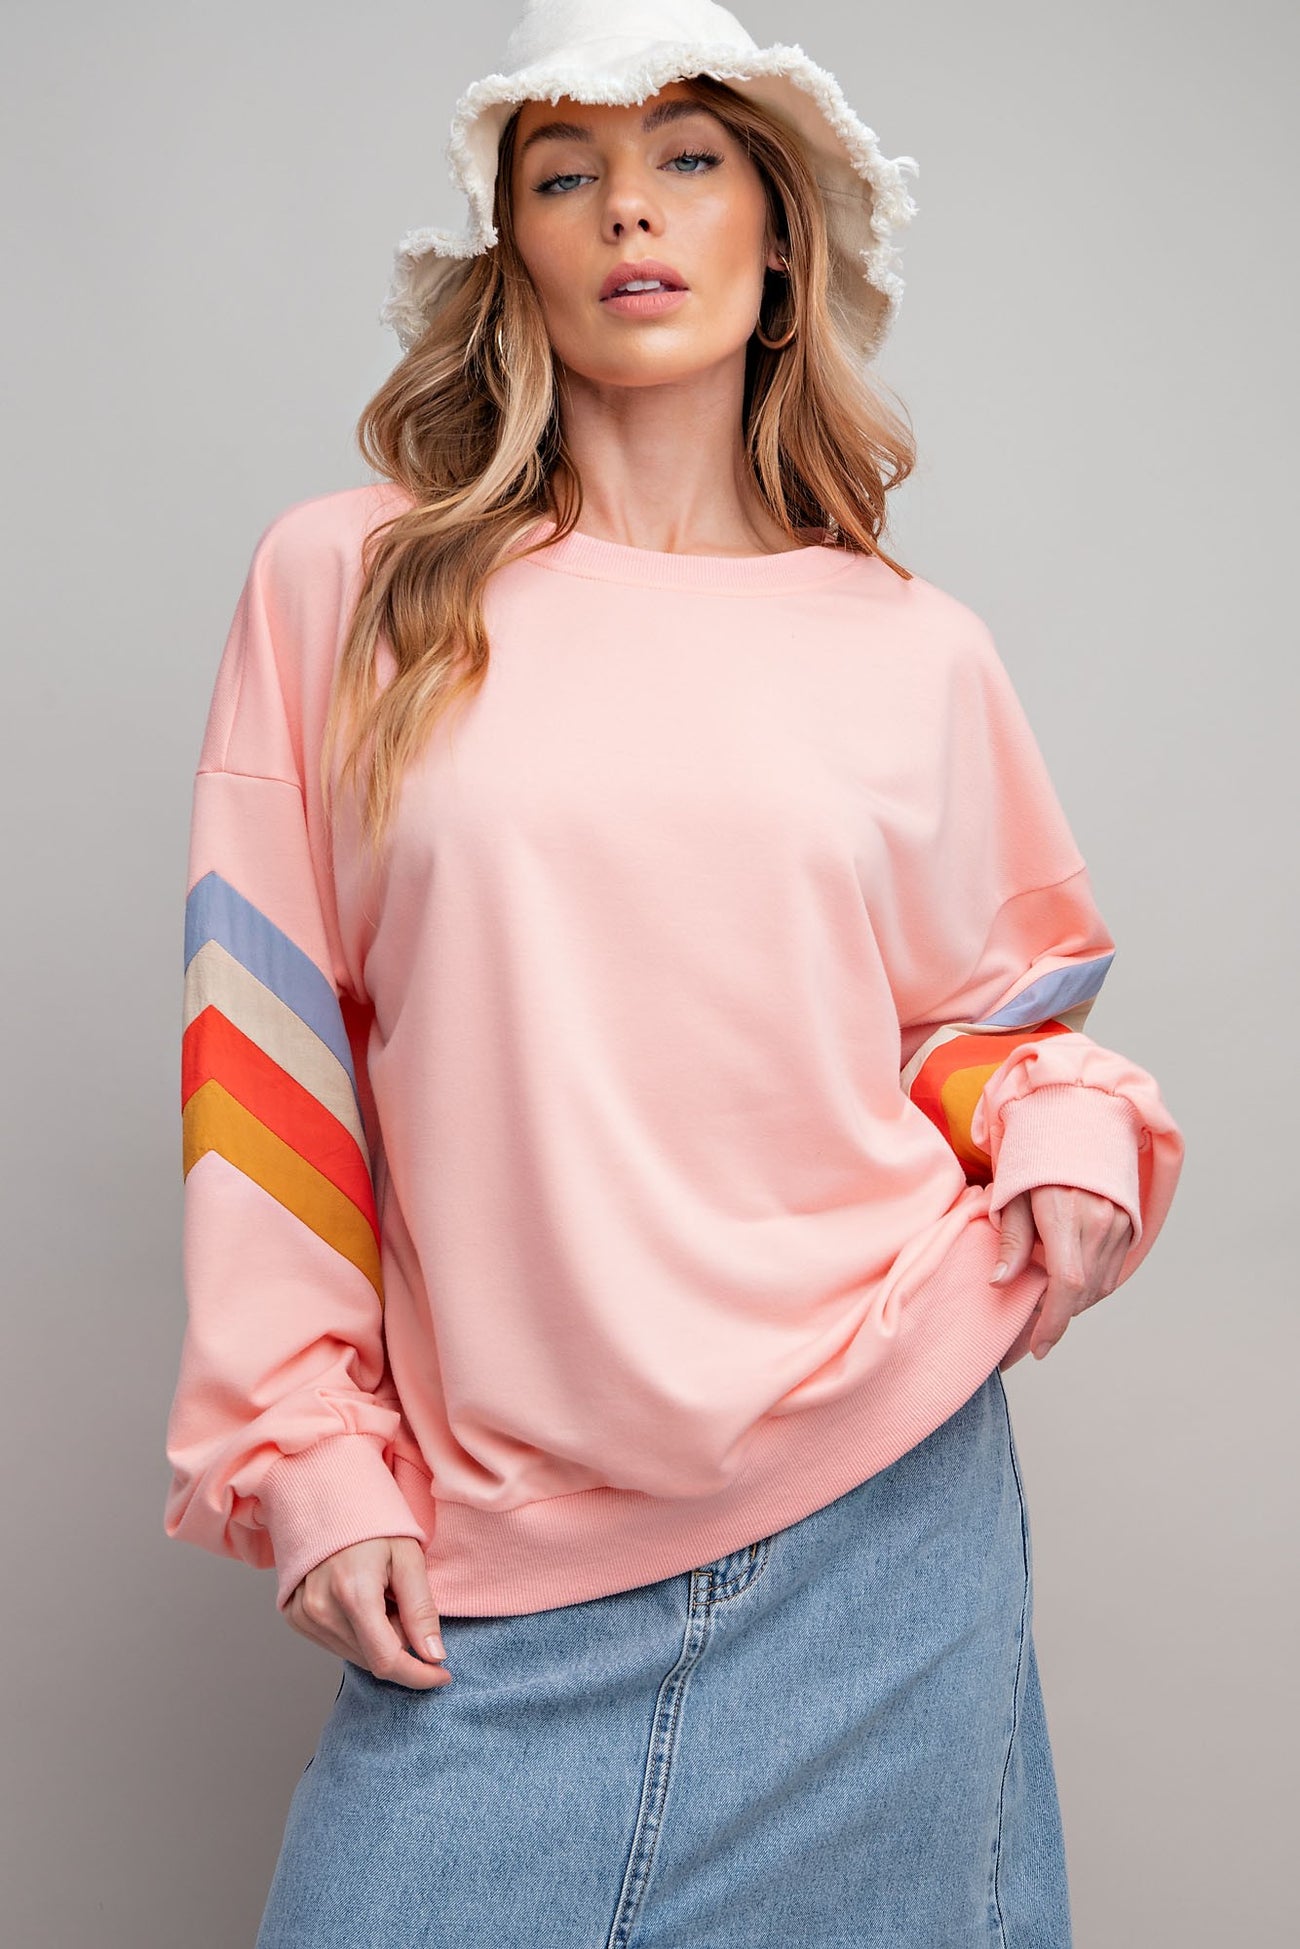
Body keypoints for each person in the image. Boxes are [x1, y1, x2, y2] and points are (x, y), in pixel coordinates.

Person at [163, 2, 1186, 1942]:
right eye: (567, 176)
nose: (629, 210)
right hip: (497, 1551)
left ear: (778, 238)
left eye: (689, 162)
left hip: (883, 1519)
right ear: (515, 250)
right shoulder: (353, 588)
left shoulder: (910, 649)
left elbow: (974, 1028)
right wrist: (308, 1453)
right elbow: (269, 1054)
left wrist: (1069, 1127)